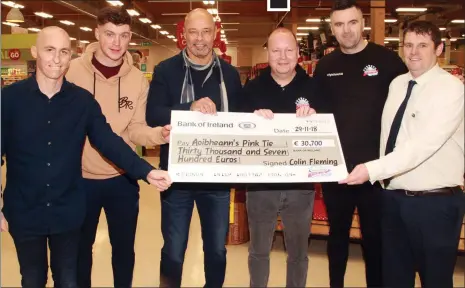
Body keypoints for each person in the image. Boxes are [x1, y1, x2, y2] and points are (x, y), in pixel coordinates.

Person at [0, 26, 172, 288]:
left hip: (68, 210)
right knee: (32, 279)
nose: (56, 59)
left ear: (71, 56)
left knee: (69, 280)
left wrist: (146, 171)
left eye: (63, 52)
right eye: (49, 50)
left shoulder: (82, 102)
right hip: (25, 210)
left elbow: (109, 141)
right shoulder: (8, 100)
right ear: (35, 52)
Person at [340, 20, 465, 288]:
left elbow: (422, 146)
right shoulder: (397, 85)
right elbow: (386, 136)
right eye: (408, 45)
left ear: (439, 49)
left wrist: (371, 170)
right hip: (393, 200)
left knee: (435, 280)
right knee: (394, 278)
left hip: (435, 203)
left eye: (423, 45)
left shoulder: (451, 89)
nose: (413, 52)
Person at [65, 7, 171, 288]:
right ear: (97, 33)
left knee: (123, 251)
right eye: (110, 34)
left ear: (130, 37)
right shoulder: (71, 71)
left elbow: (135, 129)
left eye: (124, 36)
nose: (116, 42)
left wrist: (160, 134)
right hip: (79, 178)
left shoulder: (137, 79)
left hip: (122, 179)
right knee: (79, 252)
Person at [311, 0, 408, 287]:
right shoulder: (325, 66)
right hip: (336, 171)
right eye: (339, 24)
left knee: (374, 240)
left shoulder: (388, 61)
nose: (346, 30)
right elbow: (317, 115)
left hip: (376, 172)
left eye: (352, 22)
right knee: (337, 236)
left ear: (362, 23)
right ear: (332, 29)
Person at [146, 8, 242, 288]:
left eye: (205, 31)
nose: (199, 39)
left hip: (218, 179)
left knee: (217, 251)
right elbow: (153, 114)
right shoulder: (165, 70)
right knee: (173, 252)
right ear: (183, 34)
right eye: (193, 32)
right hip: (177, 178)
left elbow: (241, 117)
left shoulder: (230, 74)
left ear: (215, 34)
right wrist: (189, 107)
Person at [240, 27, 317, 287]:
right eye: (276, 50)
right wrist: (251, 120)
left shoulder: (314, 87)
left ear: (298, 52)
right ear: (268, 53)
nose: (283, 57)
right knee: (259, 251)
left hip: (301, 187)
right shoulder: (251, 88)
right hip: (261, 186)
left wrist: (316, 120)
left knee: (298, 253)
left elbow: (329, 133)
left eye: (288, 50)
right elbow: (237, 135)